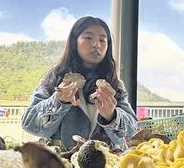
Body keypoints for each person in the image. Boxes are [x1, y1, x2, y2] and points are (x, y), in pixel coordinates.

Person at [22, 16, 138, 149]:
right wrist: (58, 101)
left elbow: (133, 134)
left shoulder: (115, 85)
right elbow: (29, 125)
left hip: (108, 166)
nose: (97, 45)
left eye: (102, 40)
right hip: (63, 166)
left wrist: (112, 116)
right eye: (88, 38)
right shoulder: (55, 78)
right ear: (74, 42)